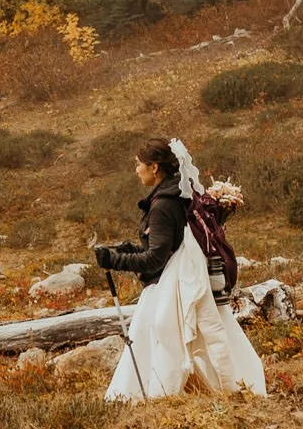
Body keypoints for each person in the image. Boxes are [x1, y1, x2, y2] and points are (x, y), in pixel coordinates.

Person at [92, 137, 267, 401]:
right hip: (184, 280)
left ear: (154, 168)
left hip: (169, 288)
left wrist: (113, 261)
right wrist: (127, 248)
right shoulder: (179, 195)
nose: (135, 169)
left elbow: (155, 259)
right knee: (207, 338)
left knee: (163, 341)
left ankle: (158, 395)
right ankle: (225, 386)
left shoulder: (162, 205)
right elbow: (170, 245)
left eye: (139, 164)